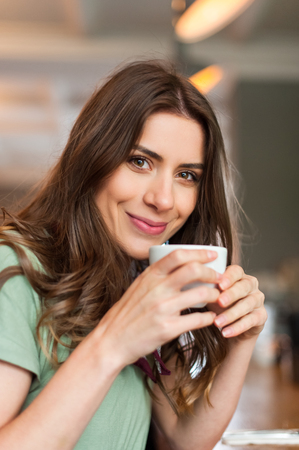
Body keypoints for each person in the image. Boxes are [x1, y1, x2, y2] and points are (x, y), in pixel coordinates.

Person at [0, 60, 266, 450]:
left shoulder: (137, 277)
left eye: (186, 175)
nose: (163, 199)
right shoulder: (18, 270)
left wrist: (241, 339)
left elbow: (181, 440)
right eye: (140, 161)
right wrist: (114, 343)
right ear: (92, 157)